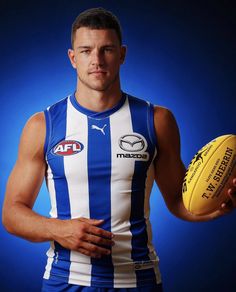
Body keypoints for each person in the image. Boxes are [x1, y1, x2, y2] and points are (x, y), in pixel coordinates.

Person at [2, 7, 236, 292]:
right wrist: (58, 229)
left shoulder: (157, 121)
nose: (97, 60)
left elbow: (178, 200)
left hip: (139, 279)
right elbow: (12, 214)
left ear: (122, 54)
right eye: (86, 51)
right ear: (73, 58)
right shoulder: (43, 125)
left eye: (107, 50)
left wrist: (212, 208)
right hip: (66, 280)